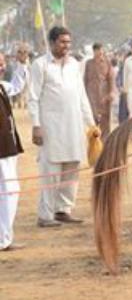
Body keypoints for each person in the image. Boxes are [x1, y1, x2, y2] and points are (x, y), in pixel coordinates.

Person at [28, 27, 97, 227]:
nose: (66, 46)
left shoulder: (74, 64)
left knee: (72, 168)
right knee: (51, 169)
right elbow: (33, 98)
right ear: (51, 43)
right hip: (50, 127)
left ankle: (63, 210)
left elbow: (82, 96)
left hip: (74, 126)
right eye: (62, 42)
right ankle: (45, 215)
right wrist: (36, 125)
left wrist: (91, 124)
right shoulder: (40, 65)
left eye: (68, 42)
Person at [0, 53, 27, 250]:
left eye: (2, 64)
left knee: (10, 192)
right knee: (8, 192)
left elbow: (17, 85)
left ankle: (5, 237)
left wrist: (22, 64)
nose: (2, 67)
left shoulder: (2, 86)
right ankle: (3, 239)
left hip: (8, 146)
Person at [83, 43, 115, 139]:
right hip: (91, 94)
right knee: (92, 117)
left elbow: (111, 78)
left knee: (105, 118)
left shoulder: (107, 63)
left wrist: (111, 92)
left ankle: (105, 140)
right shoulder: (89, 63)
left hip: (104, 94)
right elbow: (85, 79)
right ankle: (94, 140)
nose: (100, 52)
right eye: (98, 50)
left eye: (101, 50)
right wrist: (83, 94)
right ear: (94, 51)